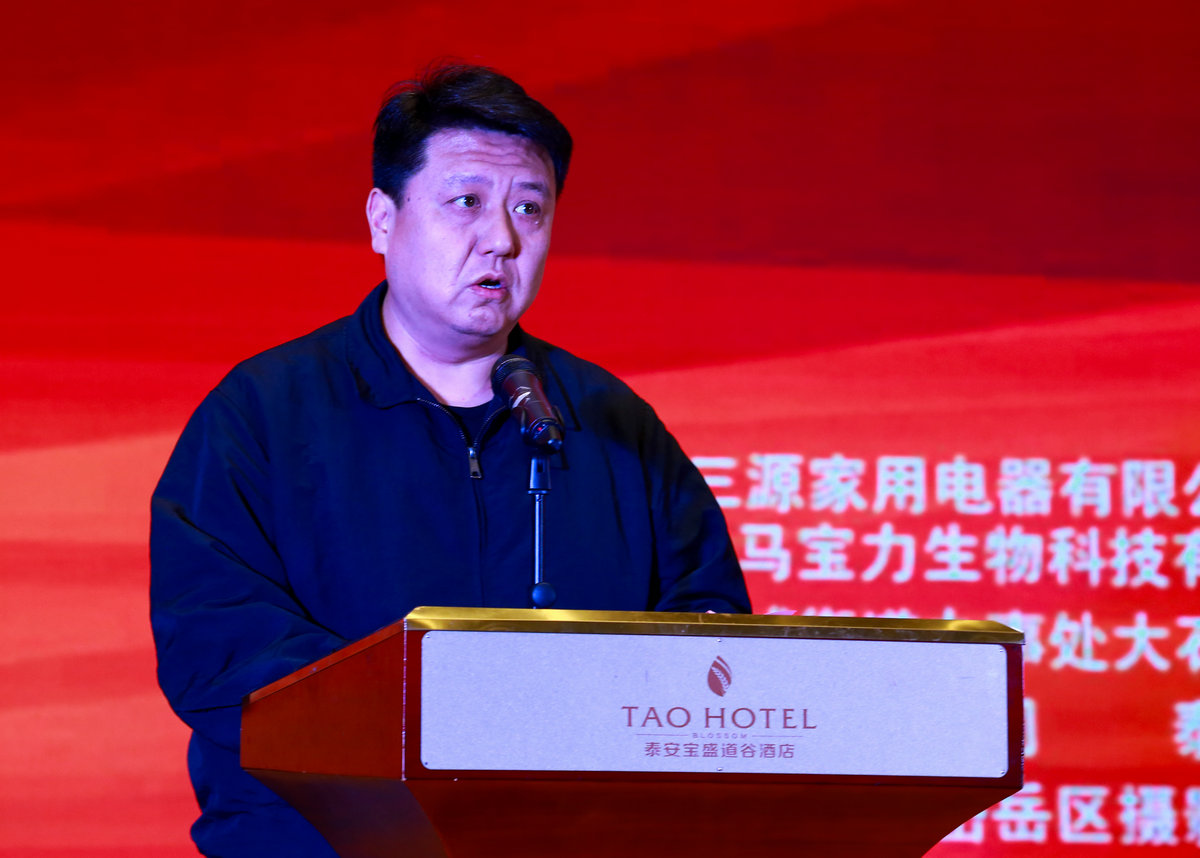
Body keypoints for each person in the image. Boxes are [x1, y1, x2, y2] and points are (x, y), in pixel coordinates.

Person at [150, 63, 750, 857]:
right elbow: (215, 645)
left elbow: (710, 631)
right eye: (466, 202)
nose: (501, 239)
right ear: (383, 219)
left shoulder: (611, 422)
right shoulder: (264, 413)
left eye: (529, 209)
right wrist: (447, 715)